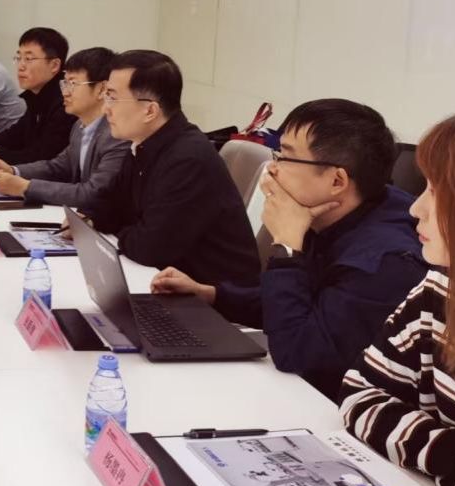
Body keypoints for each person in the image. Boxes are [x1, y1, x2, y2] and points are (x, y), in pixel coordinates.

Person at [151, 99, 426, 399]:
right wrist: (212, 294)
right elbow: (298, 302)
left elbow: (299, 355)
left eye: (286, 158)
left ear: (337, 180)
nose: (272, 169)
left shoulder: (385, 261)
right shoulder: (335, 212)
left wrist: (287, 245)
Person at [340, 109, 455, 486]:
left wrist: (445, 467)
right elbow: (360, 395)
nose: (415, 209)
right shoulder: (442, 287)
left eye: (438, 191)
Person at [91, 50, 259, 286]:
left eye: (113, 98)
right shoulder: (143, 143)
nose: (105, 108)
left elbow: (149, 249)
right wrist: (107, 221)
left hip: (210, 296)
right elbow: (106, 204)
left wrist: (121, 228)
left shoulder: (188, 159)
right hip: (163, 278)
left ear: (150, 111)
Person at [0, 47, 129, 215]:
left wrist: (26, 187)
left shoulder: (116, 134)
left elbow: (92, 193)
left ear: (101, 89)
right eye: (64, 83)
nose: (65, 92)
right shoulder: (79, 126)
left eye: (73, 84)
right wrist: (14, 171)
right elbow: (58, 167)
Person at [0, 27, 75, 166]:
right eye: (19, 58)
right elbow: (16, 135)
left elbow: (42, 158)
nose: (21, 66)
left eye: (29, 59)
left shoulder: (65, 102)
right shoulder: (37, 96)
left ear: (54, 65)